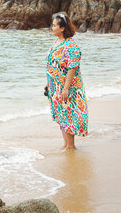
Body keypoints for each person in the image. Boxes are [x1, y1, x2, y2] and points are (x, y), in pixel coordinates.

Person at [45, 13, 88, 150]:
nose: (52, 28)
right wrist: (48, 82)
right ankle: (66, 144)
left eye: (54, 25)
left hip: (67, 86)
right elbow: (52, 65)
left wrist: (66, 88)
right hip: (55, 86)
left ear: (62, 28)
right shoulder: (56, 43)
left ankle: (71, 145)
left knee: (68, 113)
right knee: (61, 114)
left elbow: (72, 67)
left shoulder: (71, 46)